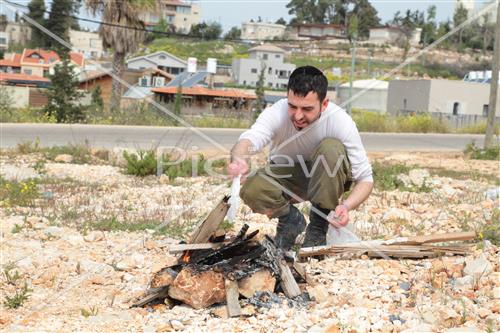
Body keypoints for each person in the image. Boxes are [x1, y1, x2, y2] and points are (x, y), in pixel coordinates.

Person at [227, 65, 373, 250]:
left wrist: (346, 206)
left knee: (331, 148)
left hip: (327, 176)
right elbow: (248, 140)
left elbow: (366, 179)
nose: (297, 115)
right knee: (252, 188)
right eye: (292, 106)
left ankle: (317, 228)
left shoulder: (340, 121)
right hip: (287, 177)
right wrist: (240, 159)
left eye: (307, 109)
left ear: (324, 104)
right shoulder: (276, 112)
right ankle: (290, 220)